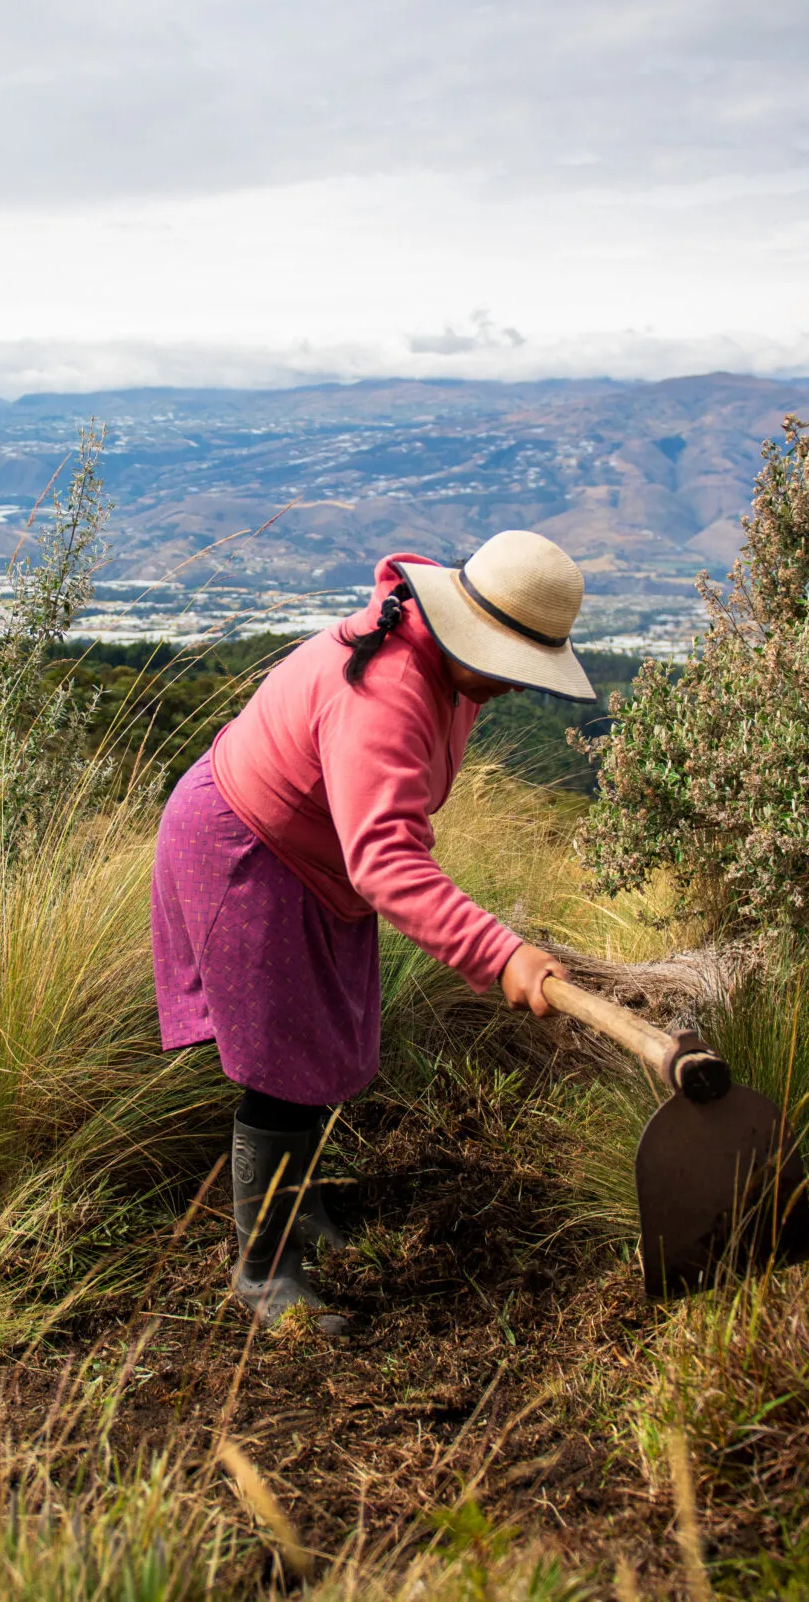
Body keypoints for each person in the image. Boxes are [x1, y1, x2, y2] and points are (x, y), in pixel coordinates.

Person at [151, 530, 598, 1329]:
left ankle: (302, 1210)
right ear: (470, 628)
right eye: (507, 664)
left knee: (321, 1044)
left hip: (314, 864)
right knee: (281, 1068)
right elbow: (387, 861)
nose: (512, 687)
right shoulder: (388, 689)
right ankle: (263, 1274)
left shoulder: (441, 662)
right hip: (250, 849)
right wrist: (501, 953)